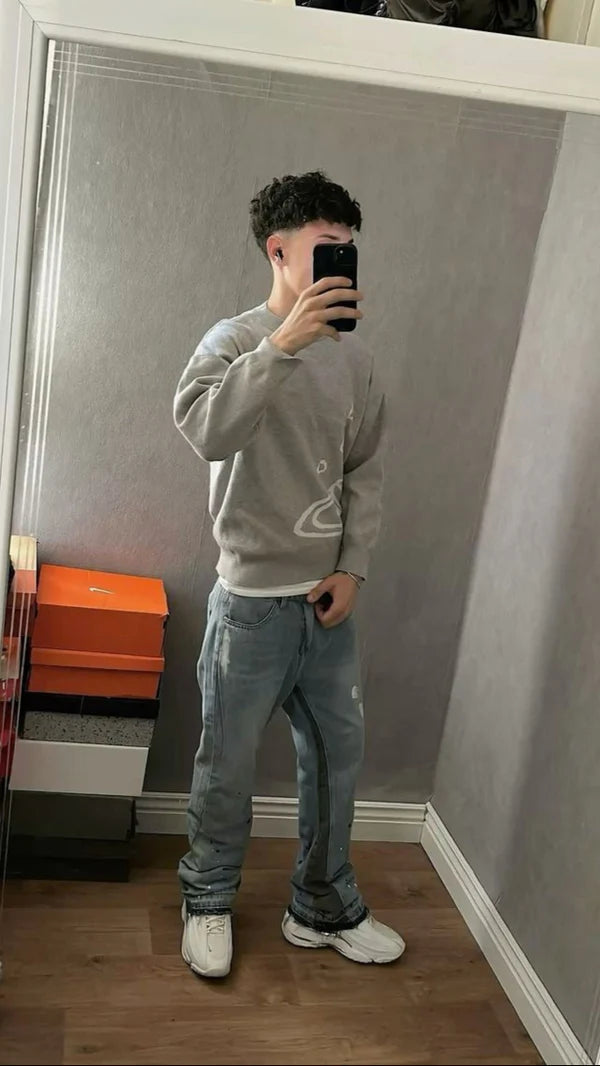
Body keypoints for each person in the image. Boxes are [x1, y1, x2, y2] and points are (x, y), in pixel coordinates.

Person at [174, 171, 405, 978]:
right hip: (249, 607)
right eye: (326, 246)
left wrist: (354, 569)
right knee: (226, 765)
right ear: (278, 251)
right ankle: (207, 897)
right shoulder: (232, 342)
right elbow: (207, 431)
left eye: (349, 248)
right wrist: (280, 348)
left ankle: (322, 906)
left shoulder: (359, 361)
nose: (343, 260)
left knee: (338, 763)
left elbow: (364, 470)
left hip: (327, 606)